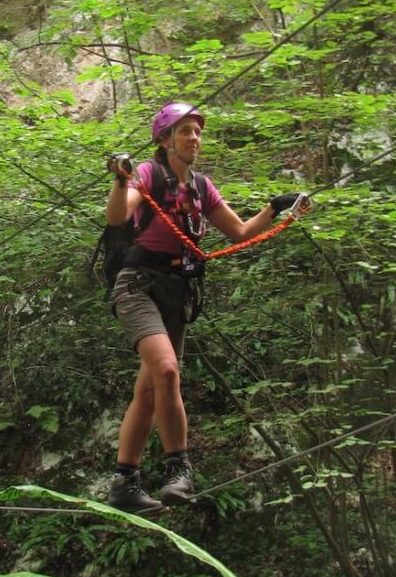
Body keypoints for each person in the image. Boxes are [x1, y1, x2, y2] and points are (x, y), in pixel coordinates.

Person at [105, 101, 309, 514]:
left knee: (148, 390)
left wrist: (276, 206)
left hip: (177, 292)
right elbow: (117, 216)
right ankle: (178, 468)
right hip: (138, 286)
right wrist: (118, 180)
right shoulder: (147, 174)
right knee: (165, 369)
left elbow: (239, 231)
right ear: (164, 140)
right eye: (184, 132)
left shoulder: (201, 187)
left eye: (197, 132)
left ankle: (124, 482)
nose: (194, 139)